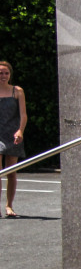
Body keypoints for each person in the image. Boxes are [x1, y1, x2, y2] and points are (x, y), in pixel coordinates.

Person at [0, 60, 28, 218]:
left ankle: (9, 206)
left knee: (11, 172)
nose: (3, 76)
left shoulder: (17, 91)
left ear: (10, 75)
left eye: (6, 73)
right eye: (0, 73)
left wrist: (20, 131)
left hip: (13, 134)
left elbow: (23, 114)